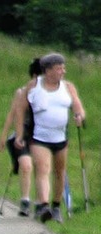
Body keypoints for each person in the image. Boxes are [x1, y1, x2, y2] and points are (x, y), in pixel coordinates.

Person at [15, 52, 85, 223]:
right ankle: (44, 205)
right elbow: (20, 109)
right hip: (39, 137)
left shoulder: (68, 87)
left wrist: (79, 115)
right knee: (43, 168)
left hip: (60, 137)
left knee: (59, 172)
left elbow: (76, 104)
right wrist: (19, 134)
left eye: (63, 68)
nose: (62, 71)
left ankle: (55, 206)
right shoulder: (33, 86)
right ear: (47, 70)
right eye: (58, 68)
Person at [0, 58, 42, 217]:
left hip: (40, 135)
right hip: (22, 134)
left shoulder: (50, 95)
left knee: (40, 168)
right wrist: (3, 135)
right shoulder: (21, 92)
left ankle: (40, 203)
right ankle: (25, 201)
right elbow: (13, 114)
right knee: (26, 165)